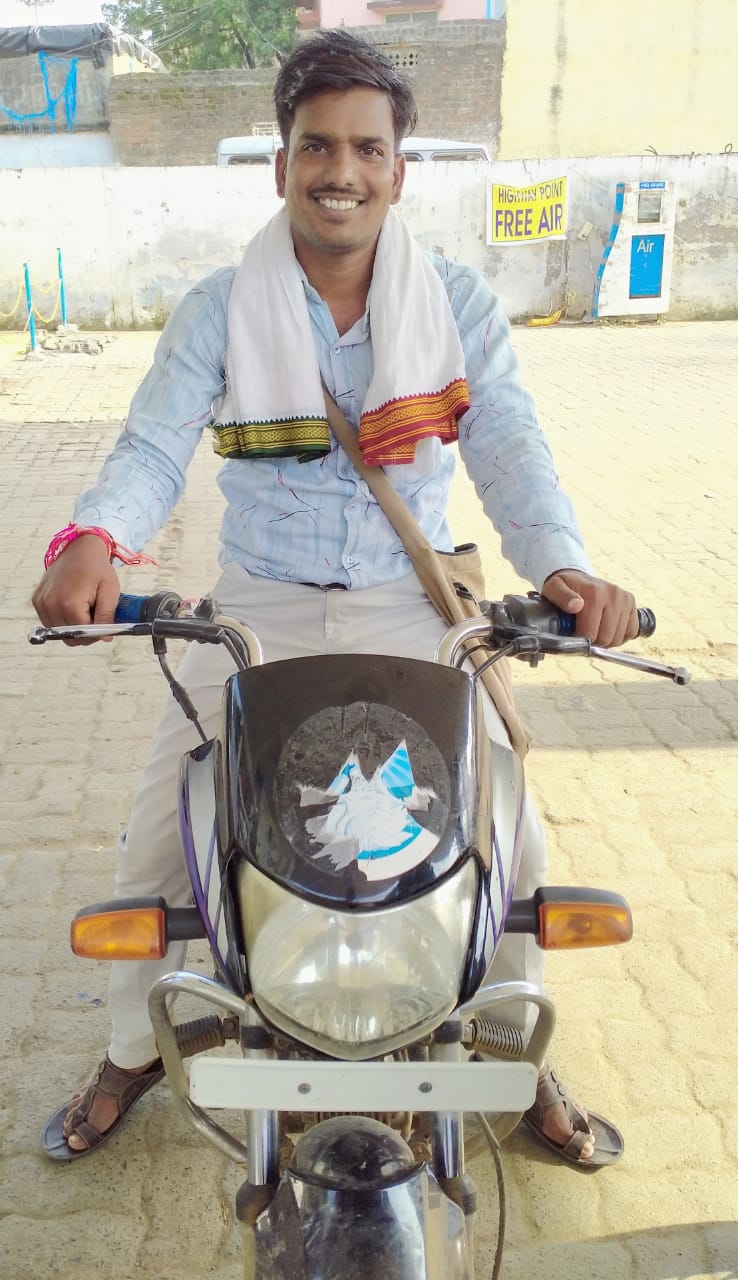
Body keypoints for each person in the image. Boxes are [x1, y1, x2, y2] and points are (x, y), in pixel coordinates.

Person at [33, 30, 636, 1168]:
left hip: (413, 607)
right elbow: (153, 443)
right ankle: (130, 1050)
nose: (340, 170)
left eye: (367, 148)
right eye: (317, 146)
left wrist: (562, 564)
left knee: (509, 840)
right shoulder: (220, 308)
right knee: (156, 845)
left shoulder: (457, 303)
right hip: (253, 612)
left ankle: (513, 1048)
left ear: (399, 171)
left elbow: (510, 444)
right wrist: (96, 538)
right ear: (282, 165)